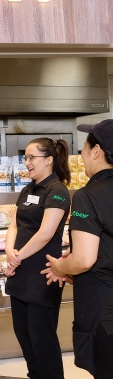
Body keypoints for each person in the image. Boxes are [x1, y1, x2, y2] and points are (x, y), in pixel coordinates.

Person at [42, 119, 113, 379]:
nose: (81, 153)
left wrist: (61, 266)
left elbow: (84, 259)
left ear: (97, 151)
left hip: (104, 312)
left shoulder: (87, 195)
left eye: (85, 146)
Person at [5, 138, 71, 379]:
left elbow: (45, 234)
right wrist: (9, 251)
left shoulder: (57, 191)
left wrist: (17, 257)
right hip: (20, 273)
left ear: (49, 160)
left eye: (32, 157)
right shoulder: (27, 189)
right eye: (26, 158)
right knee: (24, 335)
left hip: (43, 275)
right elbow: (14, 224)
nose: (27, 162)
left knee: (42, 340)